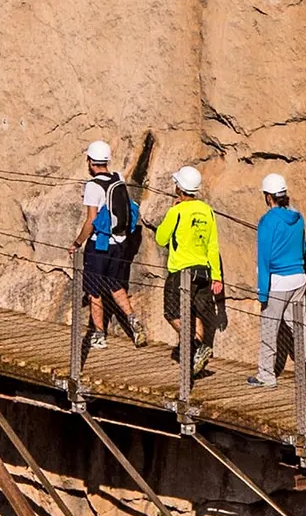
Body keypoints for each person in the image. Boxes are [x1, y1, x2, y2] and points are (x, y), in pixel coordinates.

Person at [251, 173, 306, 392]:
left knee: (269, 329)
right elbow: (303, 249)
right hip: (298, 279)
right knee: (301, 328)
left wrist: (262, 292)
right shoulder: (298, 216)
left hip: (277, 282)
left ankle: (266, 375)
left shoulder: (268, 221)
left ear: (268, 197)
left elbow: (264, 258)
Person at [154, 165, 224, 376]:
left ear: (180, 188)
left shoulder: (177, 211)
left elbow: (160, 238)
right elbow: (213, 246)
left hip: (181, 271)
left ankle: (196, 346)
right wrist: (217, 276)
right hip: (204, 270)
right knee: (196, 314)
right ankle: (196, 361)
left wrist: (171, 210)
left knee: (172, 313)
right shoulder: (207, 211)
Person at [79, 141, 143, 349]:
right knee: (116, 285)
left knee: (94, 290)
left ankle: (99, 335)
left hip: (100, 244)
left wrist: (77, 242)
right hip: (120, 242)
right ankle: (133, 321)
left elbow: (91, 220)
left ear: (90, 161)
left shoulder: (92, 186)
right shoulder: (119, 178)